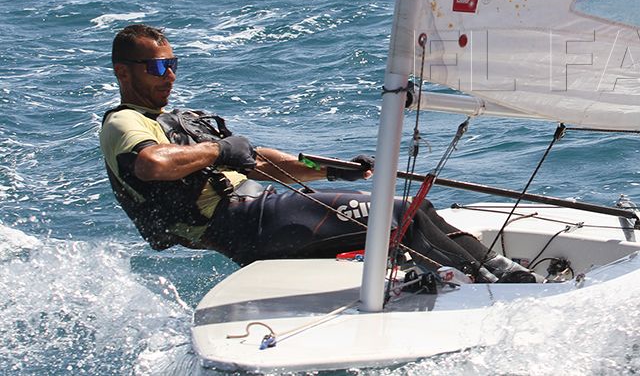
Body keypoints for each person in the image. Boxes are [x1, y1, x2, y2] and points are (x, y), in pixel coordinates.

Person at [99, 23, 535, 283]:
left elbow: (263, 161)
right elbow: (152, 164)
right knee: (397, 212)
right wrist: (217, 150)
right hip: (243, 222)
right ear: (124, 72)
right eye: (158, 67)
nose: (170, 75)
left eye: (173, 64)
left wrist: (331, 169)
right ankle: (496, 281)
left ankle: (493, 269)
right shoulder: (125, 122)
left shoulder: (180, 120)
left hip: (264, 209)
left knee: (416, 208)